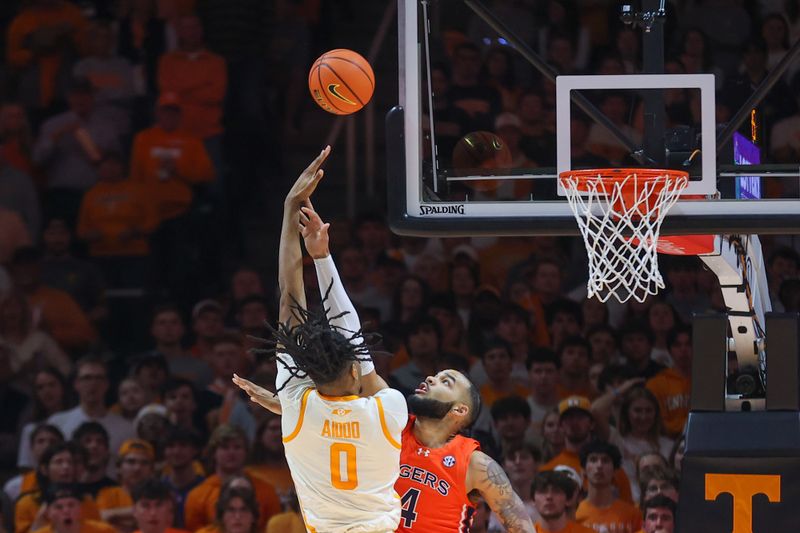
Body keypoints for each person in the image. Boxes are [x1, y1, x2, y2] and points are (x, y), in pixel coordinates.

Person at [233, 147, 408, 532]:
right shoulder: (386, 408)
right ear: (353, 367)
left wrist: (290, 205)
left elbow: (289, 298)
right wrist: (322, 256)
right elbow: (350, 333)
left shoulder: (298, 404)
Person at [183, 425, 279, 531]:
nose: (231, 452)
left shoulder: (267, 491)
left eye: (237, 447)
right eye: (225, 447)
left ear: (246, 452)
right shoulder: (197, 495)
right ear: (214, 452)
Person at [540, 396, 634, 503]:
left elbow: (628, 510)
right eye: (569, 418)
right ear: (561, 425)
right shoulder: (548, 470)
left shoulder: (610, 468)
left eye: (580, 417)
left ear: (592, 424)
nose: (574, 422)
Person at [47, 356, 135, 454]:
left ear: (107, 384)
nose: (93, 383)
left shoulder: (126, 429)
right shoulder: (58, 423)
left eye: (99, 378)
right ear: (76, 384)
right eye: (87, 378)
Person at [576, 440, 642, 532]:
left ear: (615, 471)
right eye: (593, 460)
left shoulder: (632, 515)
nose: (599, 465)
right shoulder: (574, 514)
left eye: (605, 460)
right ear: (583, 470)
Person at [646, 326, 692, 438]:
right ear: (669, 350)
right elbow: (657, 424)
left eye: (689, 344)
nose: (683, 350)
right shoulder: (656, 384)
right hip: (667, 442)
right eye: (677, 345)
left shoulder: (708, 382)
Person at [33, 484, 114, 533]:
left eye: (71, 505)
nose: (66, 510)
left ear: (80, 508)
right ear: (48, 512)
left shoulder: (104, 531)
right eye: (59, 507)